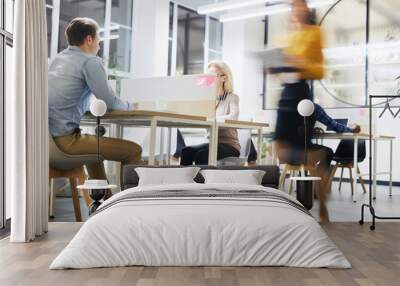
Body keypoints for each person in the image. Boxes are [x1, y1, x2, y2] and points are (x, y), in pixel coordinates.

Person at [48, 17, 142, 190]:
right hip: (65, 144)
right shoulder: (89, 61)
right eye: (99, 40)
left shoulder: (56, 60)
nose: (99, 46)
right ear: (89, 39)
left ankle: (104, 205)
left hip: (45, 145)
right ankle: (129, 206)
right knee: (134, 150)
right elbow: (110, 102)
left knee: (95, 149)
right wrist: (132, 106)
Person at [273, 0, 330, 222]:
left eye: (299, 5)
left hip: (300, 96)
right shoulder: (287, 37)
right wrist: (276, 66)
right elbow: (282, 71)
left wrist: (300, 63)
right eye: (293, 6)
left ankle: (323, 206)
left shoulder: (315, 33)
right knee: (280, 150)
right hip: (285, 95)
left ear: (306, 9)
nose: (295, 10)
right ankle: (311, 154)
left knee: (306, 161)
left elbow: (320, 70)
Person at [180, 61, 241, 165]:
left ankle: (202, 181)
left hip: (229, 146)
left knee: (202, 155)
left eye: (213, 75)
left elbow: (233, 117)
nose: (209, 79)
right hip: (212, 143)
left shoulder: (232, 97)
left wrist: (212, 118)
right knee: (187, 151)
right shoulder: (208, 100)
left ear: (224, 78)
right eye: (208, 76)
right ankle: (185, 180)